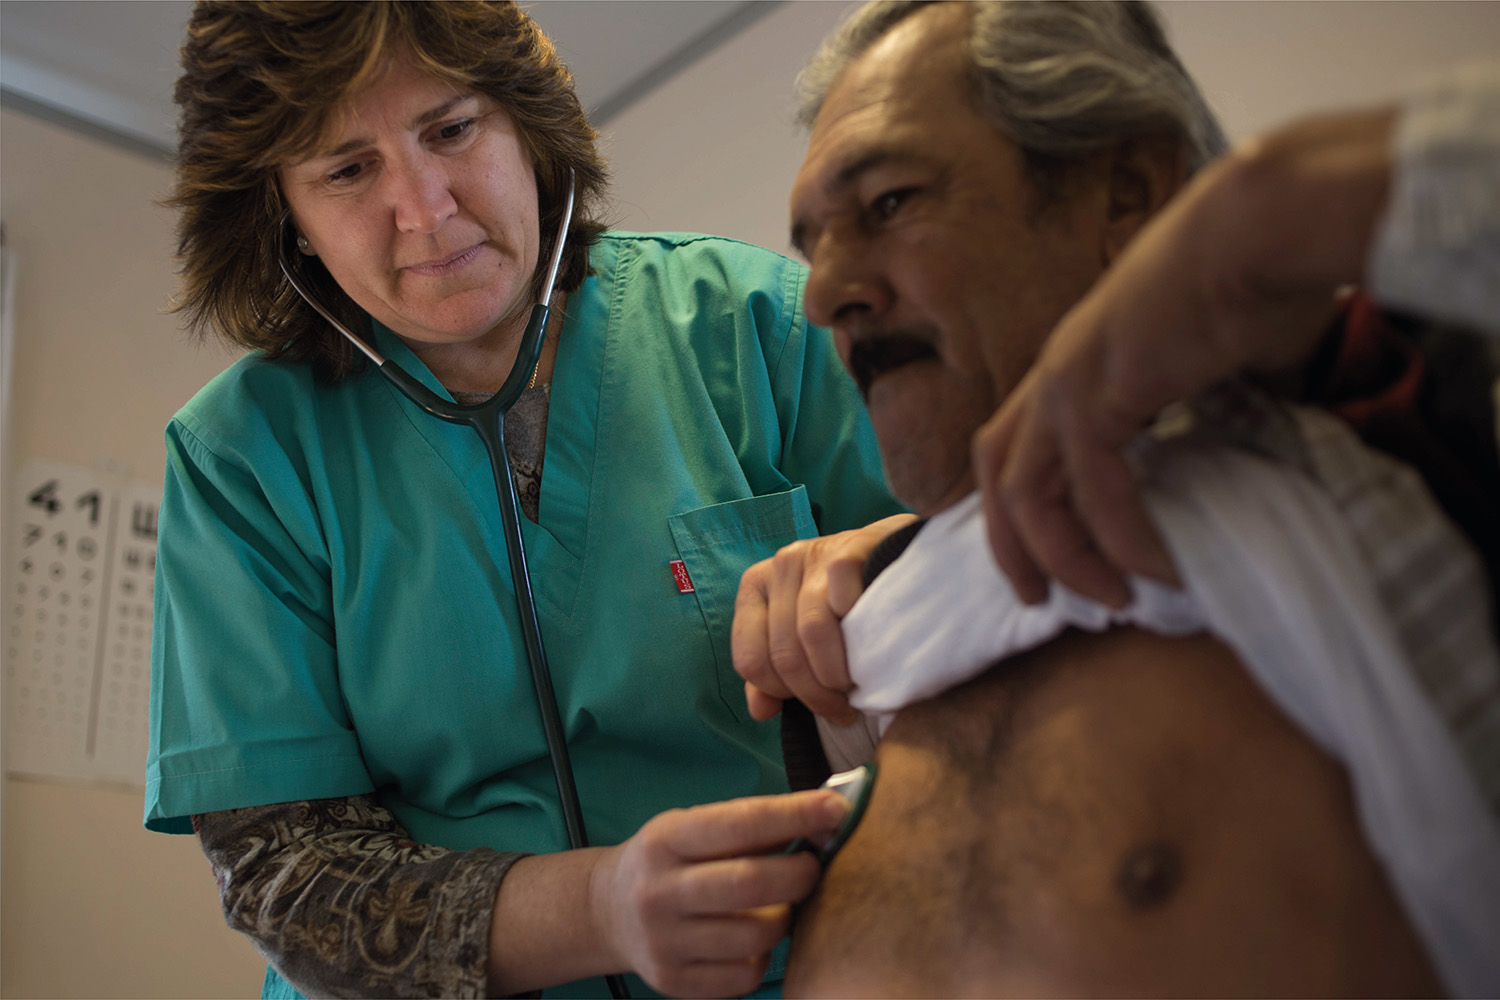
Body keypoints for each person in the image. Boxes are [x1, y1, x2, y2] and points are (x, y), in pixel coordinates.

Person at [733, 1, 1500, 994]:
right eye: (813, 244)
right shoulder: (860, 648)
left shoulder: (1399, 439)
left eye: (889, 202)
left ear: (1127, 190)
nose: (823, 292)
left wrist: (1261, 209)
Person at [144, 3, 908, 998]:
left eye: (452, 129)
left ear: (526, 125)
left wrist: (890, 564)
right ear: (284, 213)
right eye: (346, 169)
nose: (424, 208)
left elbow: (999, 605)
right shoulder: (243, 462)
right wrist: (605, 907)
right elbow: (290, 877)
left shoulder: (760, 330)